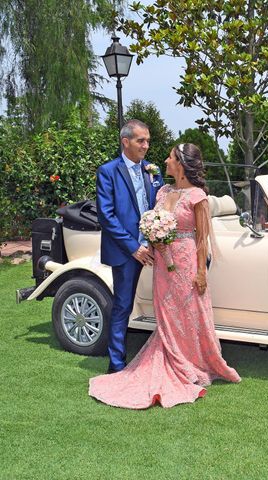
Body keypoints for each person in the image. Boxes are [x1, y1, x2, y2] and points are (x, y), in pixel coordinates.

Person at [89, 143, 240, 409]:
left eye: (170, 157)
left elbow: (202, 239)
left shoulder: (197, 197)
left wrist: (202, 272)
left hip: (186, 263)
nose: (166, 160)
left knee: (189, 315)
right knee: (168, 317)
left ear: (180, 164)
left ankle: (192, 363)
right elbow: (152, 221)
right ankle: (170, 357)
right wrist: (154, 239)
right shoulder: (163, 190)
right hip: (162, 264)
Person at [96, 119, 162, 374]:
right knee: (123, 305)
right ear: (125, 142)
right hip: (126, 252)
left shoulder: (151, 170)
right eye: (140, 141)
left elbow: (159, 206)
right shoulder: (108, 171)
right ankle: (116, 364)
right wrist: (134, 247)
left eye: (147, 140)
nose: (146, 146)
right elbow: (107, 216)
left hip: (156, 248)